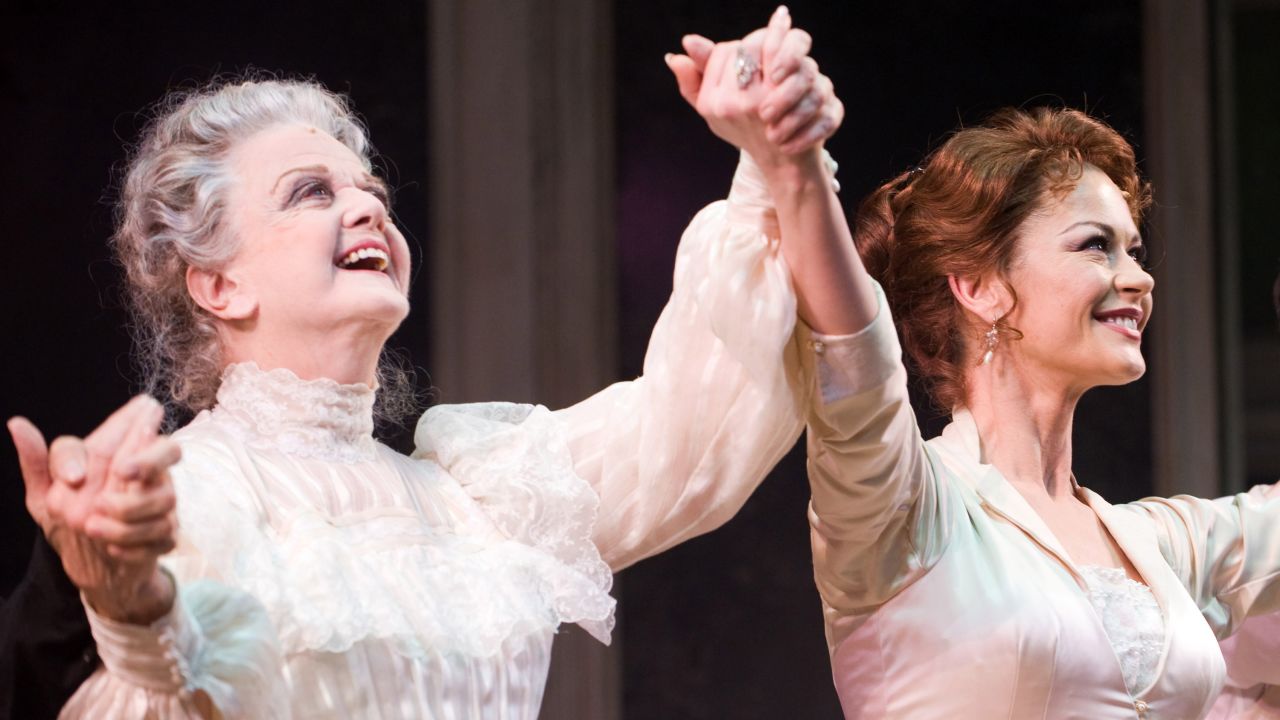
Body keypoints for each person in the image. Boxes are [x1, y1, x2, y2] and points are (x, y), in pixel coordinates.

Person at [6, 8, 847, 717]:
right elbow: (177, 681)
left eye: (372, 191)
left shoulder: (475, 498)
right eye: (312, 193)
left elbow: (688, 427)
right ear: (218, 284)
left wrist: (772, 164)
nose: (368, 206)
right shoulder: (181, 493)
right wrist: (126, 604)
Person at [775, 107, 1280, 717]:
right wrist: (792, 160)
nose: (1141, 278)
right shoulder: (911, 510)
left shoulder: (1159, 545)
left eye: (1135, 250)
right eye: (1097, 246)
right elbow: (854, 358)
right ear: (980, 286)